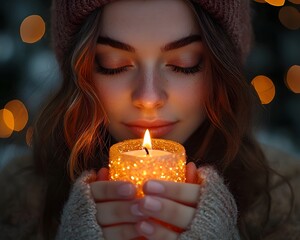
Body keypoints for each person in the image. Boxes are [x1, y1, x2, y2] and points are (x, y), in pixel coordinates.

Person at [0, 0, 300, 239]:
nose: (148, 96)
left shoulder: (287, 200)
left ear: (222, 70)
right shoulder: (14, 202)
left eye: (184, 64)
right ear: (81, 71)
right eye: (113, 65)